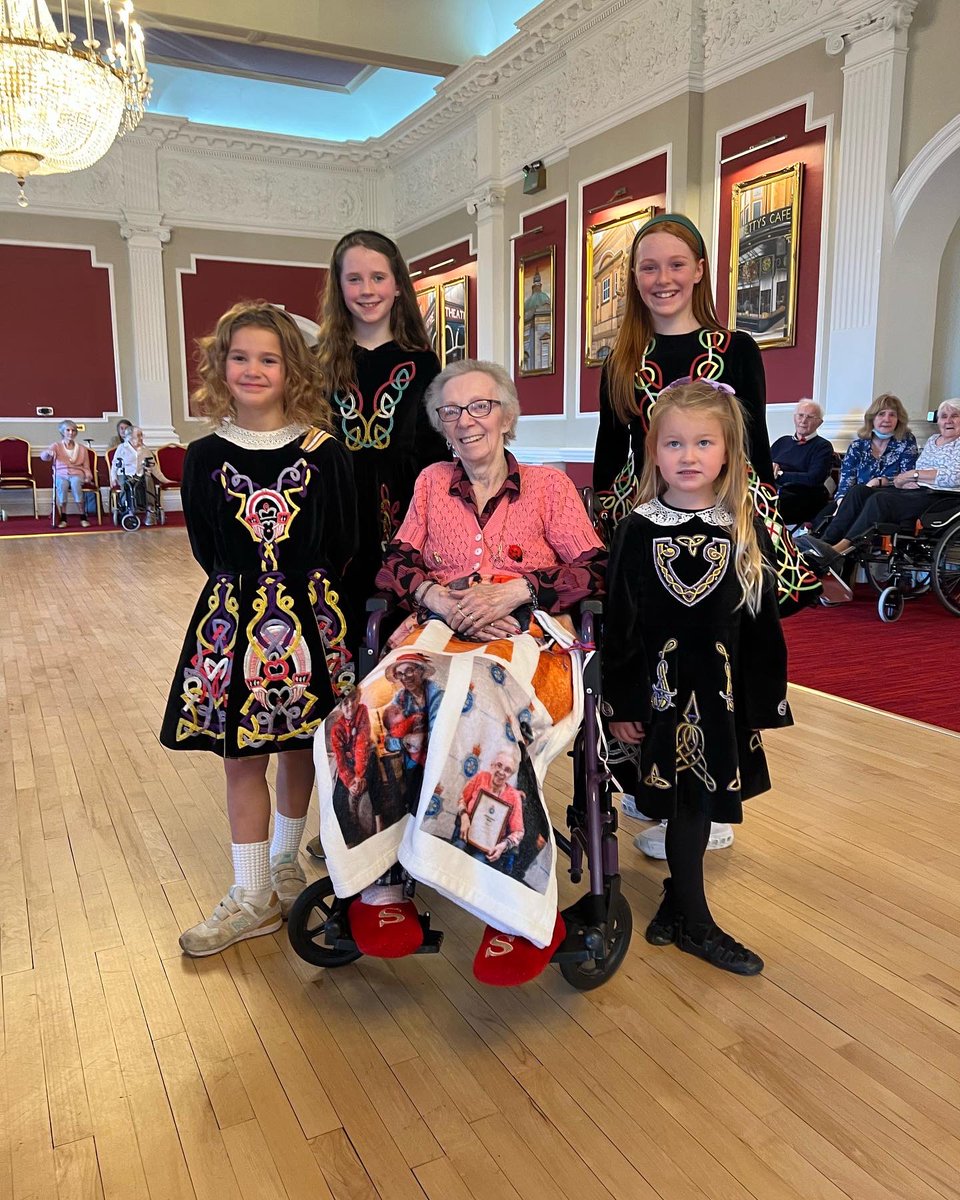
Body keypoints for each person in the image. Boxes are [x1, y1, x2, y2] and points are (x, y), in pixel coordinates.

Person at [314, 359, 606, 985]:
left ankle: (511, 908)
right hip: (440, 628)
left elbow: (595, 570)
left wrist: (517, 591)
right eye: (451, 411)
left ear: (506, 414)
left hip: (526, 634)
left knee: (479, 701)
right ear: (440, 425)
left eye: (480, 407)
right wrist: (438, 598)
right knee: (365, 709)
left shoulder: (549, 487)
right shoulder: (429, 483)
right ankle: (383, 887)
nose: (466, 421)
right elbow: (395, 564)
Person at [591, 211, 815, 859]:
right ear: (633, 278)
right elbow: (612, 457)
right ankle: (652, 783)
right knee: (648, 662)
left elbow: (750, 452)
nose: (662, 278)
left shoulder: (736, 350)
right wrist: (606, 539)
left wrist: (758, 534)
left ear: (697, 271)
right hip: (644, 531)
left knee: (711, 667)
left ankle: (714, 806)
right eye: (648, 266)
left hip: (714, 535)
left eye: (675, 264)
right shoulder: (620, 360)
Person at [159, 301, 358, 957]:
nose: (252, 369)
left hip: (312, 620)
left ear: (290, 367)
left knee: (300, 744)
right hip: (233, 621)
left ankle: (282, 860)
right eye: (239, 357)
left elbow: (344, 539)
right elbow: (205, 548)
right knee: (240, 755)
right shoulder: (205, 455)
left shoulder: (325, 452)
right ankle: (251, 898)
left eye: (267, 358)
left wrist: (302, 594)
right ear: (221, 366)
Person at [602, 378, 793, 975]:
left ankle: (681, 903)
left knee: (699, 801)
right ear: (654, 452)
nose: (688, 457)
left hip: (720, 694)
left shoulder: (740, 526)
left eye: (704, 443)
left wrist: (765, 700)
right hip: (658, 695)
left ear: (729, 453)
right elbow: (620, 622)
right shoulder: (638, 528)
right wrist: (623, 701)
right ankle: (695, 920)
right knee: (683, 801)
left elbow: (759, 623)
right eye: (674, 444)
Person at [797, 398, 960, 576]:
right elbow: (908, 476)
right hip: (916, 491)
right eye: (944, 416)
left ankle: (838, 551)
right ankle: (824, 544)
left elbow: (954, 476)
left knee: (879, 498)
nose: (948, 421)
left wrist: (913, 475)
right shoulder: (933, 441)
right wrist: (906, 479)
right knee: (859, 491)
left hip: (941, 497)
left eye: (955, 416)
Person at [811, 393, 917, 530]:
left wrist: (879, 481)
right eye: (881, 414)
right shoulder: (857, 446)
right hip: (854, 498)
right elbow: (846, 482)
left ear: (899, 420)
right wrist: (842, 504)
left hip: (887, 499)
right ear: (872, 418)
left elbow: (906, 477)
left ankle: (833, 547)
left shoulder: (906, 441)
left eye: (892, 415)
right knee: (821, 521)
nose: (887, 419)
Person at [769, 399, 834, 525]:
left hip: (802, 496)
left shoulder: (823, 446)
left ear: (819, 423)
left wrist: (780, 474)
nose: (803, 421)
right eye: (800, 415)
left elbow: (814, 479)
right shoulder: (782, 442)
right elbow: (765, 467)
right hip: (774, 490)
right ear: (794, 418)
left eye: (810, 417)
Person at [109, 425, 170, 525]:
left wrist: (163, 479)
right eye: (138, 435)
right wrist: (113, 478)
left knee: (148, 479)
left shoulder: (145, 449)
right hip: (125, 474)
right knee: (125, 483)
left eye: (141, 435)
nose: (141, 438)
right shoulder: (122, 448)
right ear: (130, 437)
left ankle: (151, 509)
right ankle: (127, 508)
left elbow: (154, 466)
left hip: (141, 474)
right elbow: (115, 465)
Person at [41, 419, 94, 527]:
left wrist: (88, 475)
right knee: (62, 485)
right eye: (68, 430)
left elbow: (86, 466)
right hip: (61, 473)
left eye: (73, 430)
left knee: (75, 484)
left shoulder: (82, 449)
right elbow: (44, 457)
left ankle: (83, 516)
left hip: (77, 473)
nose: (71, 433)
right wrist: (48, 452)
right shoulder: (56, 446)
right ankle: (63, 517)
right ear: (62, 432)